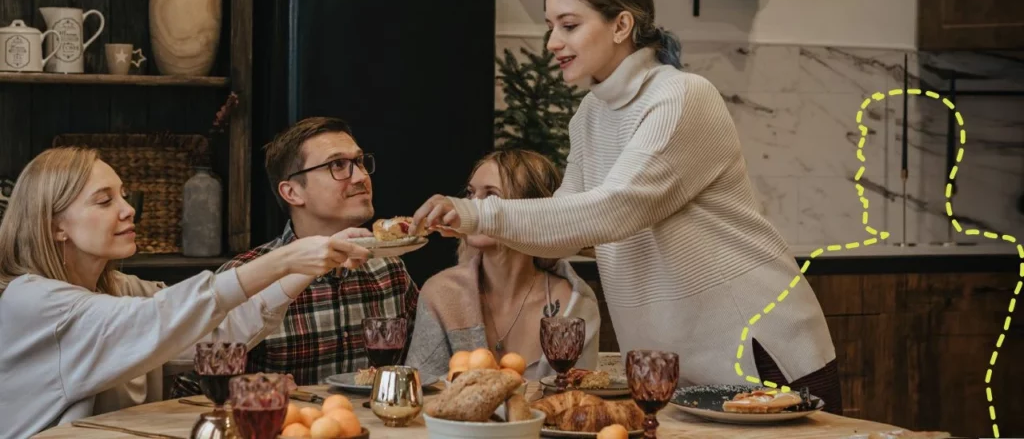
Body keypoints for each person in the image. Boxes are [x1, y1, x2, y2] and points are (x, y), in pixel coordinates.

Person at [410, 0, 841, 414]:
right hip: (669, 369)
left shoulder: (681, 97)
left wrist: (477, 213)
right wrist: (475, 223)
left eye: (569, 25)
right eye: (551, 26)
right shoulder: (590, 117)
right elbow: (567, 227)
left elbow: (613, 209)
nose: (553, 42)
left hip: (755, 350)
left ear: (621, 25)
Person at [0, 147, 369, 438]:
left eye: (124, 196)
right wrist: (283, 260)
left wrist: (314, 262)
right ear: (55, 226)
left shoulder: (119, 289)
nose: (129, 210)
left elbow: (213, 335)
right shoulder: (32, 302)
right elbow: (156, 319)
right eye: (104, 200)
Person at [170, 116, 418, 393]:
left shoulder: (389, 270)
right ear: (292, 192)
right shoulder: (247, 275)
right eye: (337, 165)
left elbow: (421, 366)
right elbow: (189, 387)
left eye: (359, 162)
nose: (361, 177)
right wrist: (251, 388)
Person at [405, 149, 600, 381]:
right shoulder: (442, 293)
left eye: (490, 196)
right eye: (470, 194)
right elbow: (421, 390)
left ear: (532, 211)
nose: (472, 207)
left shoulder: (574, 303)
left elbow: (580, 398)